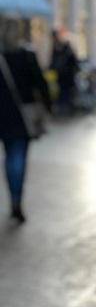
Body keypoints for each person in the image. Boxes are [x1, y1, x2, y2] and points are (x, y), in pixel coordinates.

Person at [0, 20, 51, 223]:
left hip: (3, 116)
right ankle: (16, 200)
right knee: (17, 158)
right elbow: (41, 84)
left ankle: (14, 197)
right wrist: (48, 107)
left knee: (10, 157)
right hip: (22, 117)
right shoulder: (27, 55)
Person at [50, 29, 79, 115]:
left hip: (67, 76)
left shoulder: (65, 48)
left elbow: (72, 62)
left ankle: (68, 109)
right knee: (62, 92)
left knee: (67, 93)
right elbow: (53, 62)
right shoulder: (56, 48)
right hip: (61, 76)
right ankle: (64, 108)